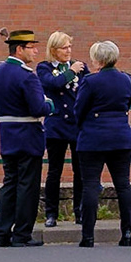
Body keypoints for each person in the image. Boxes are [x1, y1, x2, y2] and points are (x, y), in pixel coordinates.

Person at [0, 27, 53, 248]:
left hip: (7, 135)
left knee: (10, 184)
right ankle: (22, 234)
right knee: (27, 187)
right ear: (19, 49)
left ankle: (1, 233)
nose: (35, 51)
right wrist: (49, 104)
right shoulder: (27, 76)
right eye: (31, 47)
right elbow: (38, 108)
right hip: (28, 136)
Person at [73, 40, 131, 247]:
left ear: (98, 60)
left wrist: (85, 125)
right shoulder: (126, 79)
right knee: (123, 185)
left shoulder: (91, 81)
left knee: (90, 185)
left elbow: (79, 110)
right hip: (120, 136)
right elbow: (127, 105)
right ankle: (127, 232)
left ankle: (88, 235)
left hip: (93, 137)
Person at [39, 32, 83, 228]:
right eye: (64, 48)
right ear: (54, 50)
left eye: (70, 47)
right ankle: (51, 213)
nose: (68, 51)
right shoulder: (44, 67)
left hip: (76, 125)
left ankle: (80, 211)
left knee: (79, 171)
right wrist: (71, 72)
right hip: (56, 125)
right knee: (54, 171)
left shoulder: (79, 67)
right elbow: (53, 84)